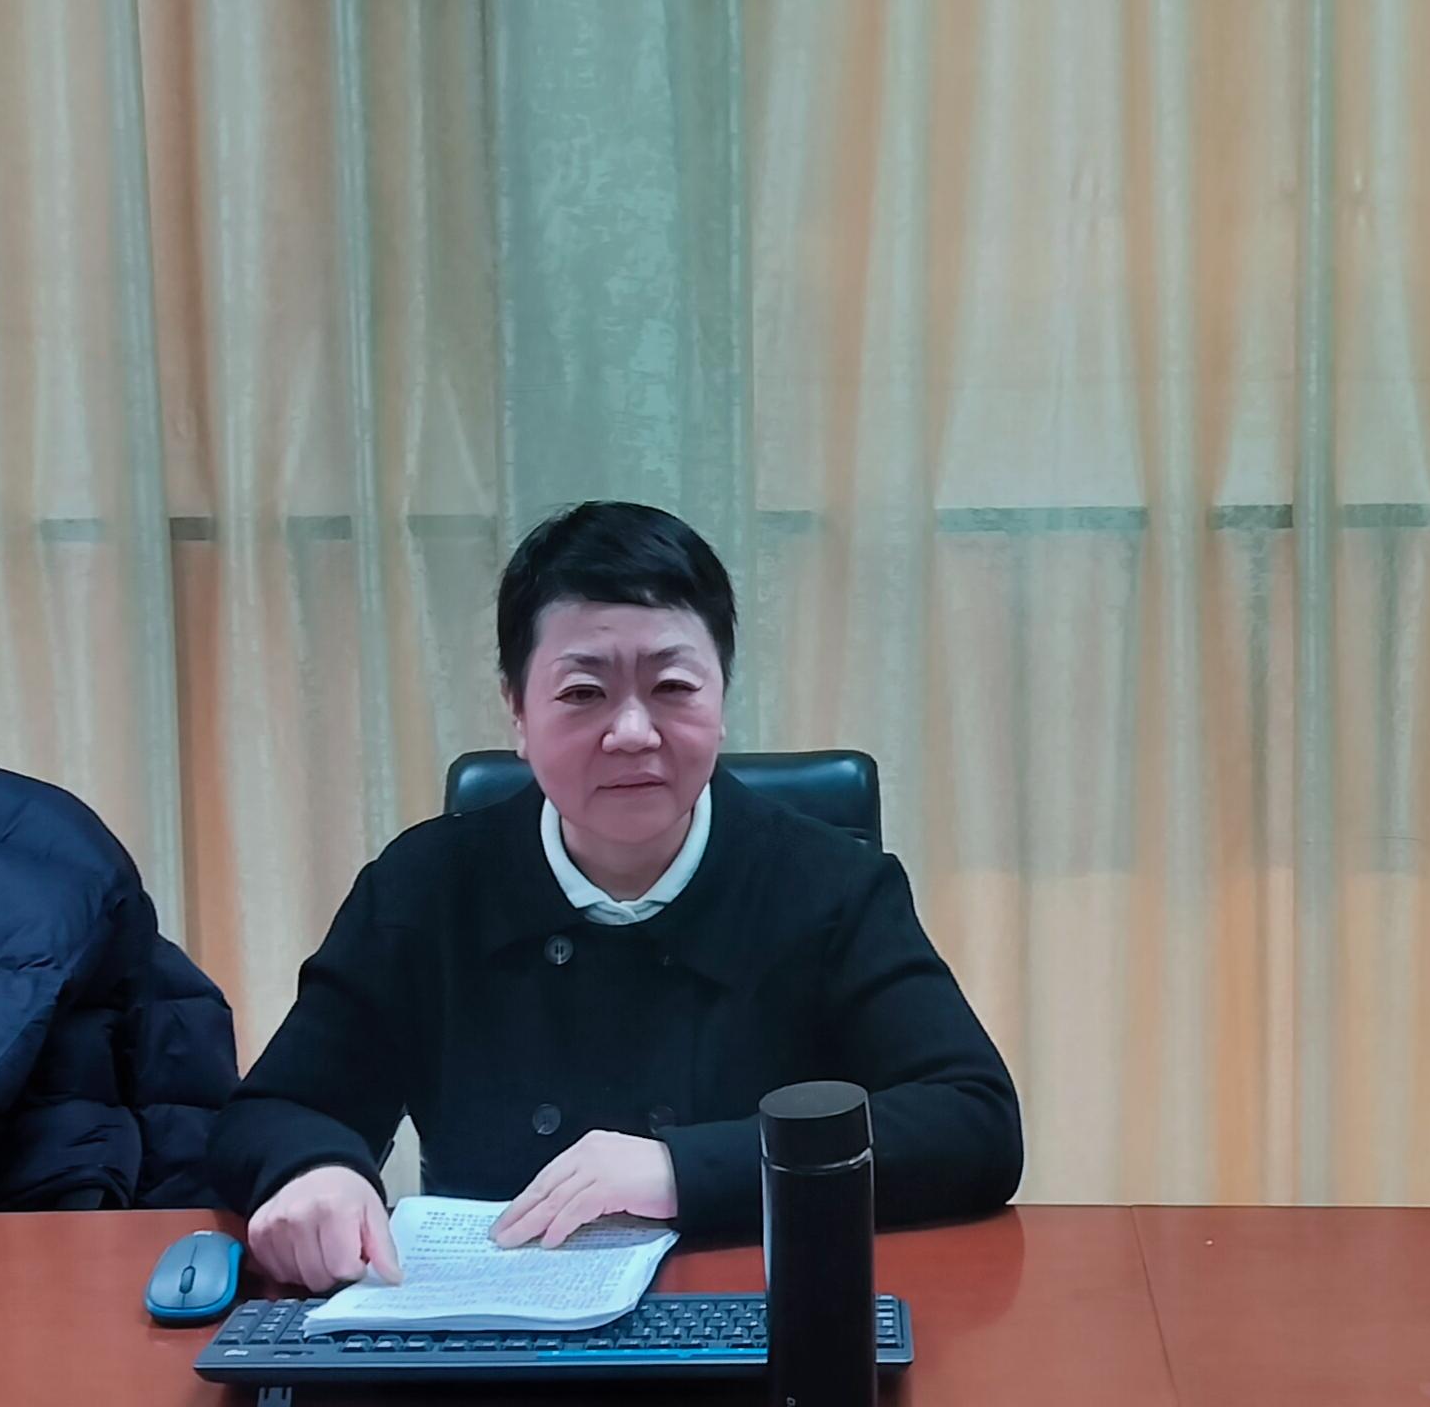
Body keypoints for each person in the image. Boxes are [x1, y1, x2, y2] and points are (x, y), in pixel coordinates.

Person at [206, 501, 1022, 1293]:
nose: (632, 731)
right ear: (516, 711)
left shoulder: (829, 886)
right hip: (490, 1338)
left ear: (722, 697)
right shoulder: (425, 888)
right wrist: (315, 1169)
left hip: (742, 1317)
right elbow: (274, 1109)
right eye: (582, 693)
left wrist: (679, 1168)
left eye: (672, 686)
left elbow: (971, 1122)